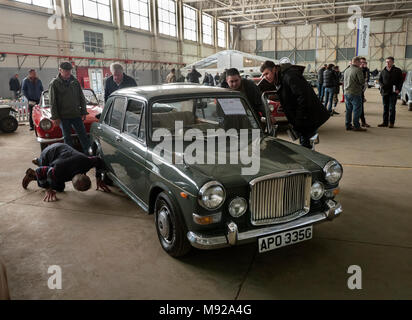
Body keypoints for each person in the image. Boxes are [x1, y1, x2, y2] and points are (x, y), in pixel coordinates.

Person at [258, 60, 330, 149]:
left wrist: (299, 121)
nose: (265, 77)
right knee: (305, 146)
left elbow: (304, 97)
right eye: (263, 75)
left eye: (267, 74)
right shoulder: (280, 78)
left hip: (308, 119)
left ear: (274, 69)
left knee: (306, 148)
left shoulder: (290, 76)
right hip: (303, 120)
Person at [22, 143, 111, 202]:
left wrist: (99, 179)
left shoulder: (86, 162)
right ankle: (32, 173)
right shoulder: (58, 171)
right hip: (48, 154)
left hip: (62, 150)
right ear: (72, 182)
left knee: (60, 188)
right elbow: (40, 171)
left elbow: (98, 160)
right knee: (56, 186)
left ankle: (38, 161)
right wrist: (48, 189)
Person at [49, 62, 90, 153]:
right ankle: (70, 156)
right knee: (67, 138)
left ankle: (89, 155)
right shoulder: (55, 83)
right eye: (65, 71)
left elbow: (81, 97)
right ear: (60, 70)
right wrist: (55, 117)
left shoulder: (75, 82)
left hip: (76, 115)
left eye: (69, 71)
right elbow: (53, 101)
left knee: (83, 135)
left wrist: (83, 111)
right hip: (63, 117)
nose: (68, 73)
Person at [378, 56, 404, 128]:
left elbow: (401, 81)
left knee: (392, 108)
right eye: (386, 62)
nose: (387, 63)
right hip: (385, 91)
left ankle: (391, 123)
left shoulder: (397, 70)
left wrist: (398, 89)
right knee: (385, 107)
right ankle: (385, 122)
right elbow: (379, 80)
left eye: (389, 62)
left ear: (393, 62)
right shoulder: (383, 71)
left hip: (393, 92)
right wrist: (382, 85)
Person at [343, 56, 366, 132]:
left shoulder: (347, 70)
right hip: (355, 92)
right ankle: (356, 126)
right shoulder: (358, 70)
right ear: (356, 62)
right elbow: (361, 82)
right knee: (357, 110)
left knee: (348, 110)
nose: (360, 64)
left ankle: (348, 125)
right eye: (360, 62)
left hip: (347, 92)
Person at [360, 58, 371, 127]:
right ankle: (350, 124)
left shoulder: (366, 70)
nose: (363, 63)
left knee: (361, 108)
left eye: (364, 62)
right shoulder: (357, 70)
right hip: (355, 92)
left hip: (361, 91)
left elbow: (366, 79)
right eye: (362, 62)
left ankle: (363, 122)